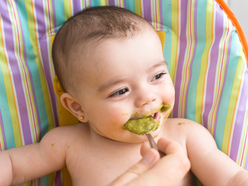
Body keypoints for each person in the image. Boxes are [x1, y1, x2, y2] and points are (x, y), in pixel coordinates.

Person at [0, 6, 247, 186]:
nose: (147, 97)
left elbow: (232, 179)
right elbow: (11, 165)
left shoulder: (186, 135)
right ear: (77, 107)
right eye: (120, 91)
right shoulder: (67, 143)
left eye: (157, 76)